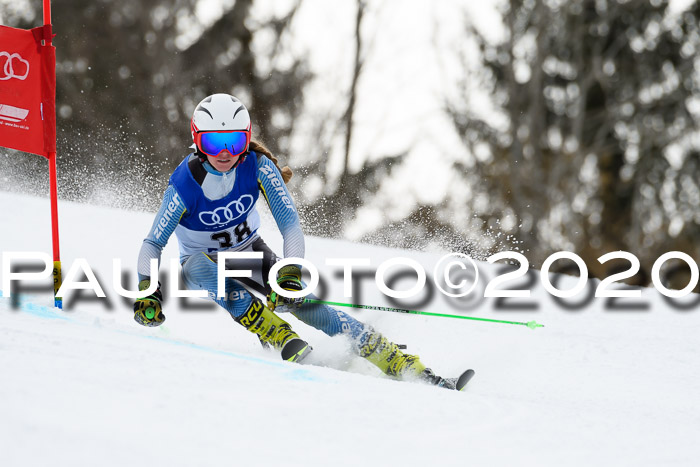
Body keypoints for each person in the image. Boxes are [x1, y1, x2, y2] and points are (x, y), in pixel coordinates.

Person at [134, 93, 459, 389]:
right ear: (197, 141)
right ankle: (275, 332)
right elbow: (153, 244)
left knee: (310, 306)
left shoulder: (258, 166)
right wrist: (146, 288)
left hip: (249, 252)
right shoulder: (184, 183)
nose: (224, 153)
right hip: (201, 262)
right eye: (213, 142)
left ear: (245, 141)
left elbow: (290, 226)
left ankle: (398, 361)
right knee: (201, 270)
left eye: (233, 142)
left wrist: (289, 274)